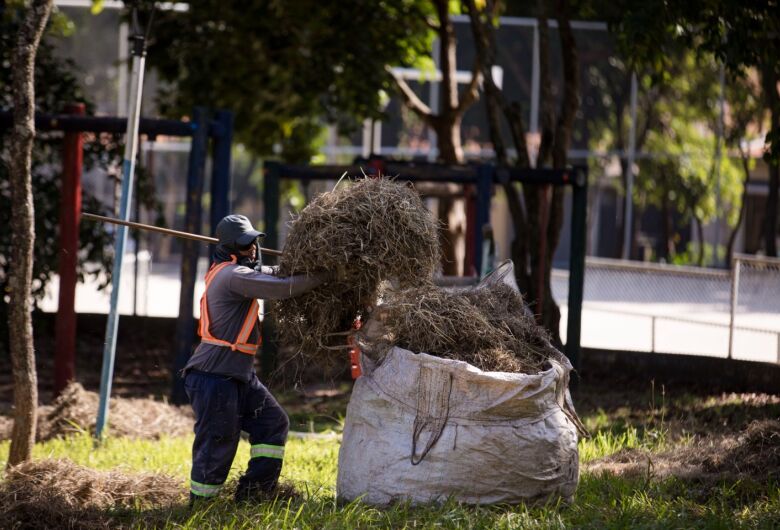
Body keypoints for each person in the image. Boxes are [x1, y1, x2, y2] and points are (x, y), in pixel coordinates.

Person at [183, 214, 325, 504]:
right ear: (230, 247)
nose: (252, 249)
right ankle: (200, 505)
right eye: (245, 244)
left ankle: (254, 494)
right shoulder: (232, 275)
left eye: (254, 243)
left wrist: (301, 265)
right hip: (214, 375)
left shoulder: (239, 272)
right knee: (218, 441)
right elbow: (281, 287)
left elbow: (272, 273)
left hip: (237, 375)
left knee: (273, 424)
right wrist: (324, 277)